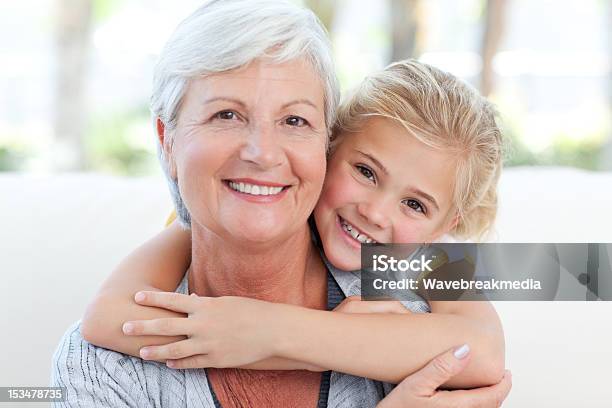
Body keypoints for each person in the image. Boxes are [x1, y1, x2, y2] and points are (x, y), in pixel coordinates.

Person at [52, 1, 510, 406]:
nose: (264, 154)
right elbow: (105, 320)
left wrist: (271, 331)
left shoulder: (410, 279)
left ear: (319, 145)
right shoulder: (104, 367)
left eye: (294, 120)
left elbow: (485, 351)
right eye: (226, 115)